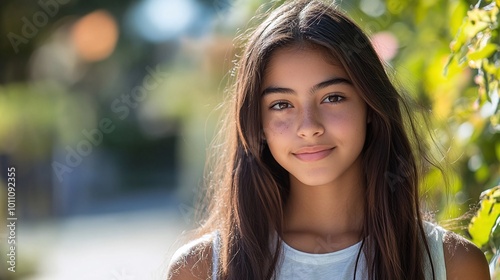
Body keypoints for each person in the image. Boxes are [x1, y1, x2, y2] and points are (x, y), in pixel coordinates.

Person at [167, 0, 490, 279]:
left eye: (332, 97)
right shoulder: (199, 270)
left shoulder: (453, 265)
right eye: (281, 105)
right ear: (258, 123)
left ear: (369, 106)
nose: (309, 127)